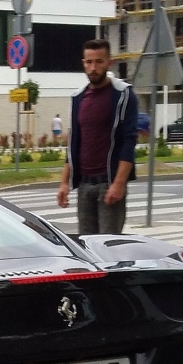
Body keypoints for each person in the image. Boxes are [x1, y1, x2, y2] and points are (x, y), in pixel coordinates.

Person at [56, 38, 140, 236]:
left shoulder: (123, 95)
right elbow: (74, 142)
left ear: (109, 63)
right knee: (86, 245)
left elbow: (129, 141)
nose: (93, 68)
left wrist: (119, 183)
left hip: (108, 183)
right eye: (88, 62)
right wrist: (64, 182)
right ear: (83, 63)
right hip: (85, 184)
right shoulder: (78, 97)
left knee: (108, 247)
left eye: (99, 62)